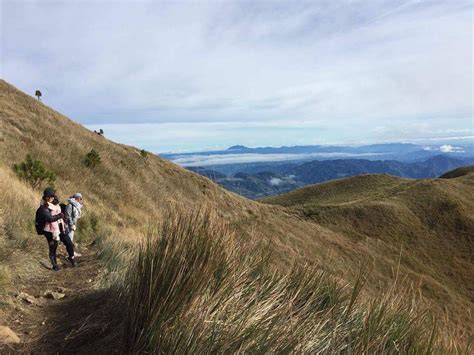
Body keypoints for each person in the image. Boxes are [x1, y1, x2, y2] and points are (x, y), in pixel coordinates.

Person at [37, 188, 75, 271]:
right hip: (50, 231)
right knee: (53, 248)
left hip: (60, 228)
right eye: (49, 196)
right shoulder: (44, 207)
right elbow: (49, 219)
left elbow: (60, 212)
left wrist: (64, 219)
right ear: (45, 197)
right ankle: (55, 266)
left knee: (69, 243)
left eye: (52, 196)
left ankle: (71, 257)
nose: (51, 198)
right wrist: (60, 215)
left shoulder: (56, 204)